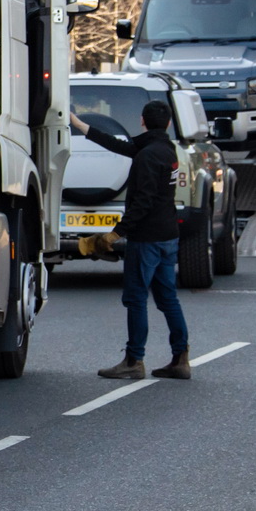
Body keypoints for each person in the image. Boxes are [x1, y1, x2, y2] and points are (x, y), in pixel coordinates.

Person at [70, 100, 190, 381]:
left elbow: (143, 201)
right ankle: (181, 358)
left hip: (146, 239)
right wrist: (80, 126)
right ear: (169, 123)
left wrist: (116, 233)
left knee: (135, 299)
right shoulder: (164, 149)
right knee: (168, 299)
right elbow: (119, 146)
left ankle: (134, 360)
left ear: (141, 120)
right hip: (168, 236)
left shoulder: (148, 155)